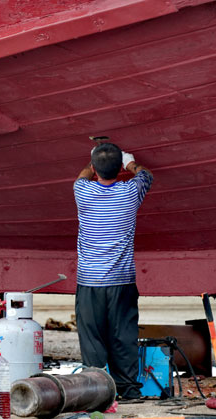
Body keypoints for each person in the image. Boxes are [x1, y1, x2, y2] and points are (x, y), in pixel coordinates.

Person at [73, 143, 153, 400]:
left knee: (92, 339)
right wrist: (130, 163)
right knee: (124, 337)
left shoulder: (82, 191)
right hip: (122, 282)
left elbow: (82, 176)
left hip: (89, 283)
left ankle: (95, 391)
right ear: (120, 169)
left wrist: (92, 159)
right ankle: (128, 390)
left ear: (94, 169)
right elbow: (146, 175)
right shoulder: (130, 192)